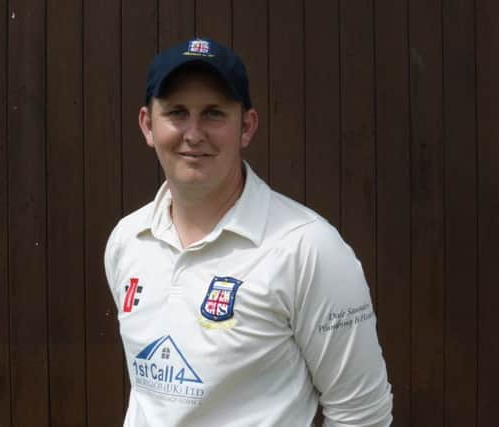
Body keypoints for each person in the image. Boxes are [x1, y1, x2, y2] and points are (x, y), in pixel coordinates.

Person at [104, 37, 393, 427]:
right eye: (176, 112)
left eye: (214, 114)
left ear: (246, 127)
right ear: (147, 125)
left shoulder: (308, 248)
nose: (193, 133)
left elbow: (363, 415)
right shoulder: (128, 240)